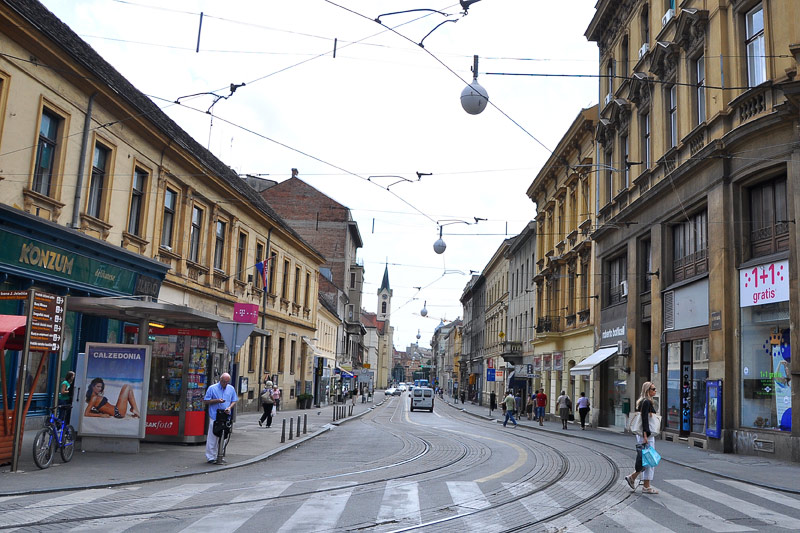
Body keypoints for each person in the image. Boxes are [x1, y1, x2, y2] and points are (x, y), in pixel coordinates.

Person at [624, 381, 659, 494]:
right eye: (653, 389)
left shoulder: (644, 402)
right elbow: (644, 419)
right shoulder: (646, 402)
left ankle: (635, 479)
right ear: (647, 390)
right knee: (649, 460)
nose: (655, 391)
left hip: (645, 435)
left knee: (647, 459)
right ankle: (642, 484)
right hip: (646, 435)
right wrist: (645, 435)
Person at [203, 373, 238, 464]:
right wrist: (217, 400)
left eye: (227, 382)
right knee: (213, 436)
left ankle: (219, 455)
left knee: (223, 436)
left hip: (226, 415)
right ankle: (210, 457)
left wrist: (230, 407)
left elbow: (234, 400)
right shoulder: (212, 388)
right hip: (215, 415)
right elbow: (206, 401)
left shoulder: (231, 389)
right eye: (224, 382)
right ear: (220, 380)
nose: (225, 384)